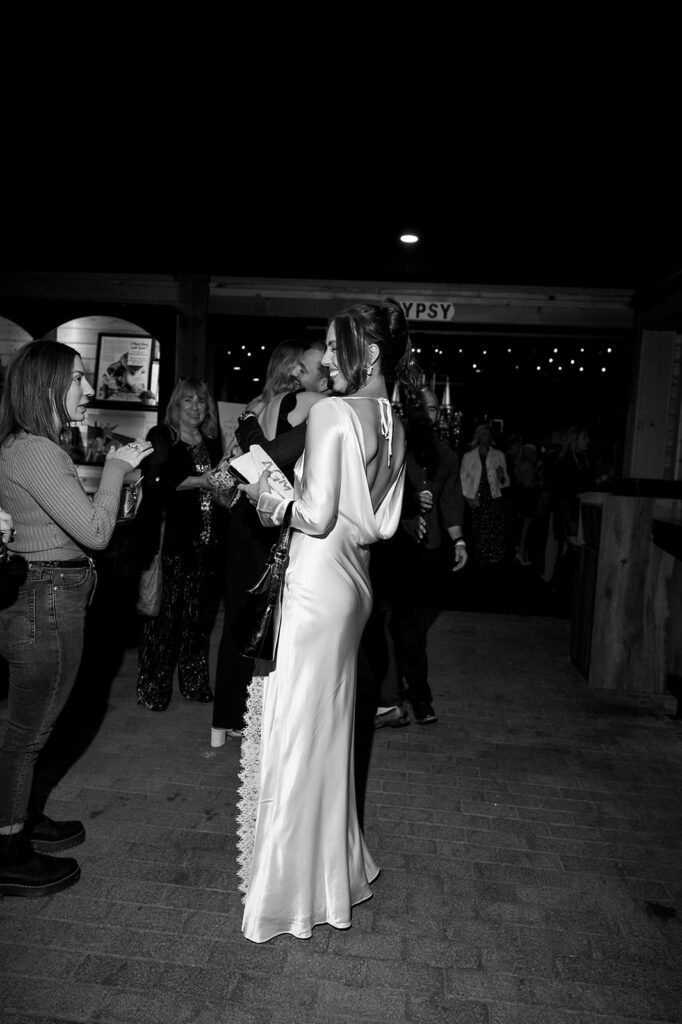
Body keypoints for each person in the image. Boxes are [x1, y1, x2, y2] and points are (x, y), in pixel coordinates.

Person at [236, 297, 417, 943]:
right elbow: (382, 517)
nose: (328, 360)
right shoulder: (391, 417)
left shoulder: (337, 412)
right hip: (355, 583)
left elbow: (312, 514)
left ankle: (288, 894)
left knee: (298, 736)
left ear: (367, 352)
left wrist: (266, 490)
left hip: (316, 584)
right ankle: (333, 871)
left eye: (338, 347)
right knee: (327, 736)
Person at [0, 339, 151, 898]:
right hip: (45, 600)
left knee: (34, 728)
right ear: (46, 387)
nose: (88, 389)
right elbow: (94, 532)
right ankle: (8, 848)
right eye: (78, 379)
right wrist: (114, 468)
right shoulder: (37, 449)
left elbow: (70, 521)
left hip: (45, 595)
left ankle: (23, 816)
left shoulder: (29, 447)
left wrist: (113, 485)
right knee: (28, 734)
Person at [210, 341, 328, 746]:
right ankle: (259, 715)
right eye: (317, 366)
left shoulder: (257, 404)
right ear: (297, 371)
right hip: (269, 519)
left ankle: (223, 721)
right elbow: (275, 457)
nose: (324, 371)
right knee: (267, 621)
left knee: (238, 619)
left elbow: (222, 472)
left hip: (242, 520)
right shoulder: (312, 402)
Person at [369, 387, 468, 731]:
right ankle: (395, 696)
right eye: (424, 408)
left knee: (408, 627)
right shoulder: (393, 446)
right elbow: (376, 489)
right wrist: (411, 501)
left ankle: (413, 697)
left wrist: (459, 541)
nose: (431, 414)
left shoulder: (446, 454)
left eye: (436, 408)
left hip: (426, 550)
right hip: (392, 544)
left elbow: (451, 500)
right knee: (390, 623)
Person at [135, 377, 226, 711]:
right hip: (173, 543)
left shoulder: (212, 441)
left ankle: (194, 682)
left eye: (200, 402)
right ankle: (153, 688)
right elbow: (156, 481)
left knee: (198, 620)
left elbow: (217, 485)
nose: (194, 407)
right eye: (187, 401)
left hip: (207, 543)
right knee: (164, 619)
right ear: (176, 404)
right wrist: (200, 481)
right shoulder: (163, 437)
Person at [460, 423, 510, 606]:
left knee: (493, 541)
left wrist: (502, 475)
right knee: (478, 539)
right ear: (478, 436)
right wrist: (468, 499)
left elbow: (505, 483)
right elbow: (463, 480)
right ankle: (478, 581)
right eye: (483, 434)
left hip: (493, 502)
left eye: (488, 435)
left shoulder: (499, 456)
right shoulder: (469, 457)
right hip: (477, 503)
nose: (486, 438)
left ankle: (490, 581)